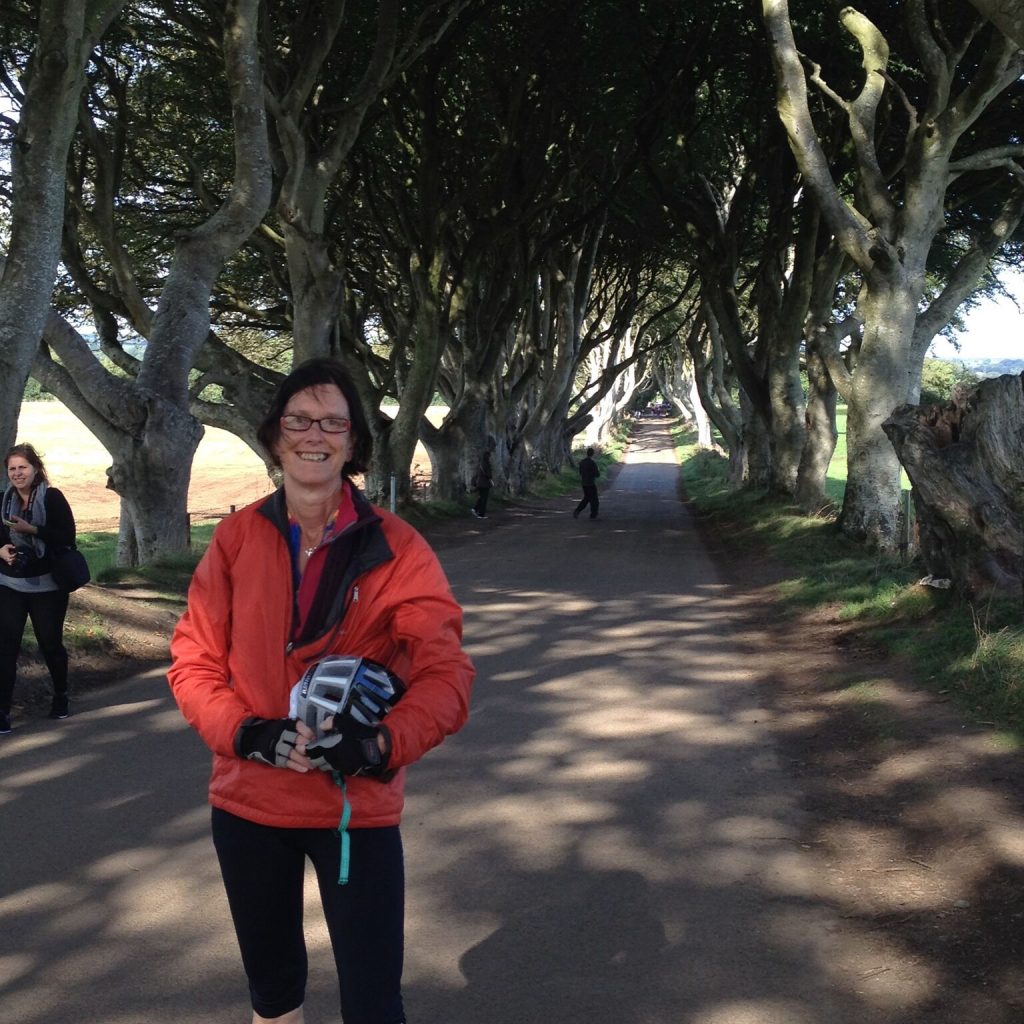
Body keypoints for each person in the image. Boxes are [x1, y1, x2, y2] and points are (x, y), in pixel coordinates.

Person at [167, 357, 474, 1024]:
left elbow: (447, 675)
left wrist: (379, 744)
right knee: (274, 1000)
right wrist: (246, 732)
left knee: (372, 1005)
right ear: (275, 436)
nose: (316, 434)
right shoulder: (236, 538)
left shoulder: (399, 549)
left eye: (334, 422)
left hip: (353, 815)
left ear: (355, 442)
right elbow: (193, 661)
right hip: (249, 807)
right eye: (299, 420)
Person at [0, 444, 78, 733]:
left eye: (22, 467)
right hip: (9, 583)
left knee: (50, 644)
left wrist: (31, 530)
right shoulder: (2, 500)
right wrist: (1, 550)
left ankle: (61, 695)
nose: (17, 473)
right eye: (12, 469)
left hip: (48, 585)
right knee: (5, 647)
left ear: (35, 469)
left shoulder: (53, 498)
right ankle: (3, 711)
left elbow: (67, 536)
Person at [572, 446, 601, 519]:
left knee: (587, 498)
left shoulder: (582, 462)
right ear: (592, 454)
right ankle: (593, 514)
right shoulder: (592, 463)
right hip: (591, 483)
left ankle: (578, 510)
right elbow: (597, 474)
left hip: (584, 483)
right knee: (594, 500)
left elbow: (580, 472)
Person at [471, 443, 493, 519]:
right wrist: (490, 478)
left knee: (481, 497)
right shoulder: (487, 464)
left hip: (479, 483)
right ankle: (481, 513)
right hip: (485, 484)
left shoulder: (480, 463)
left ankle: (475, 509)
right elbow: (489, 474)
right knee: (484, 499)